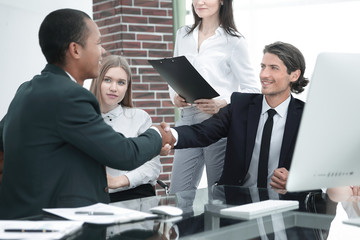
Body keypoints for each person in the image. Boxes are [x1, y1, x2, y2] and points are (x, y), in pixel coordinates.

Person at [0, 8, 173, 220]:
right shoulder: (70, 97)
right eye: (98, 43)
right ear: (75, 49)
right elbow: (123, 153)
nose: (102, 51)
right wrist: (157, 134)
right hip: (55, 225)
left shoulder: (26, 90)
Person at [165, 41, 309, 190]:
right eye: (263, 67)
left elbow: (321, 167)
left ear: (294, 75)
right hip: (238, 202)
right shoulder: (241, 105)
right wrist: (169, 135)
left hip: (284, 206)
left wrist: (296, 180)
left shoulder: (307, 117)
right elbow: (203, 132)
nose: (264, 74)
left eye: (274, 68)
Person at [168, 0, 260, 194]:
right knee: (178, 193)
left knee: (218, 195)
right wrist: (175, 97)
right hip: (187, 120)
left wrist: (222, 103)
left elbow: (252, 89)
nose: (199, 2)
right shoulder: (183, 35)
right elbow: (174, 75)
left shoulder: (234, 41)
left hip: (217, 124)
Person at [90, 55, 161, 202]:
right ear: (98, 80)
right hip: (95, 199)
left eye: (121, 82)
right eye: (107, 80)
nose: (113, 88)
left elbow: (152, 167)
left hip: (135, 195)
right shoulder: (84, 120)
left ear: (127, 87)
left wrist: (118, 181)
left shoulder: (140, 118)